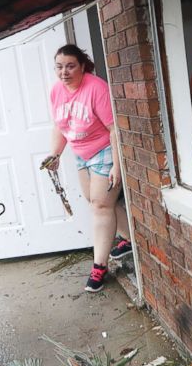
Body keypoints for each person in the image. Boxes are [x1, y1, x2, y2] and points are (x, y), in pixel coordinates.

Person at [45, 44, 132, 292]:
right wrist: (56, 154)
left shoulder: (96, 88)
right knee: (99, 201)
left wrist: (117, 164)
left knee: (100, 205)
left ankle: (99, 266)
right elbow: (60, 126)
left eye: (70, 66)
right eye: (59, 67)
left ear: (82, 66)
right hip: (81, 153)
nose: (64, 72)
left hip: (104, 149)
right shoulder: (56, 91)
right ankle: (130, 239)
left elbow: (114, 129)